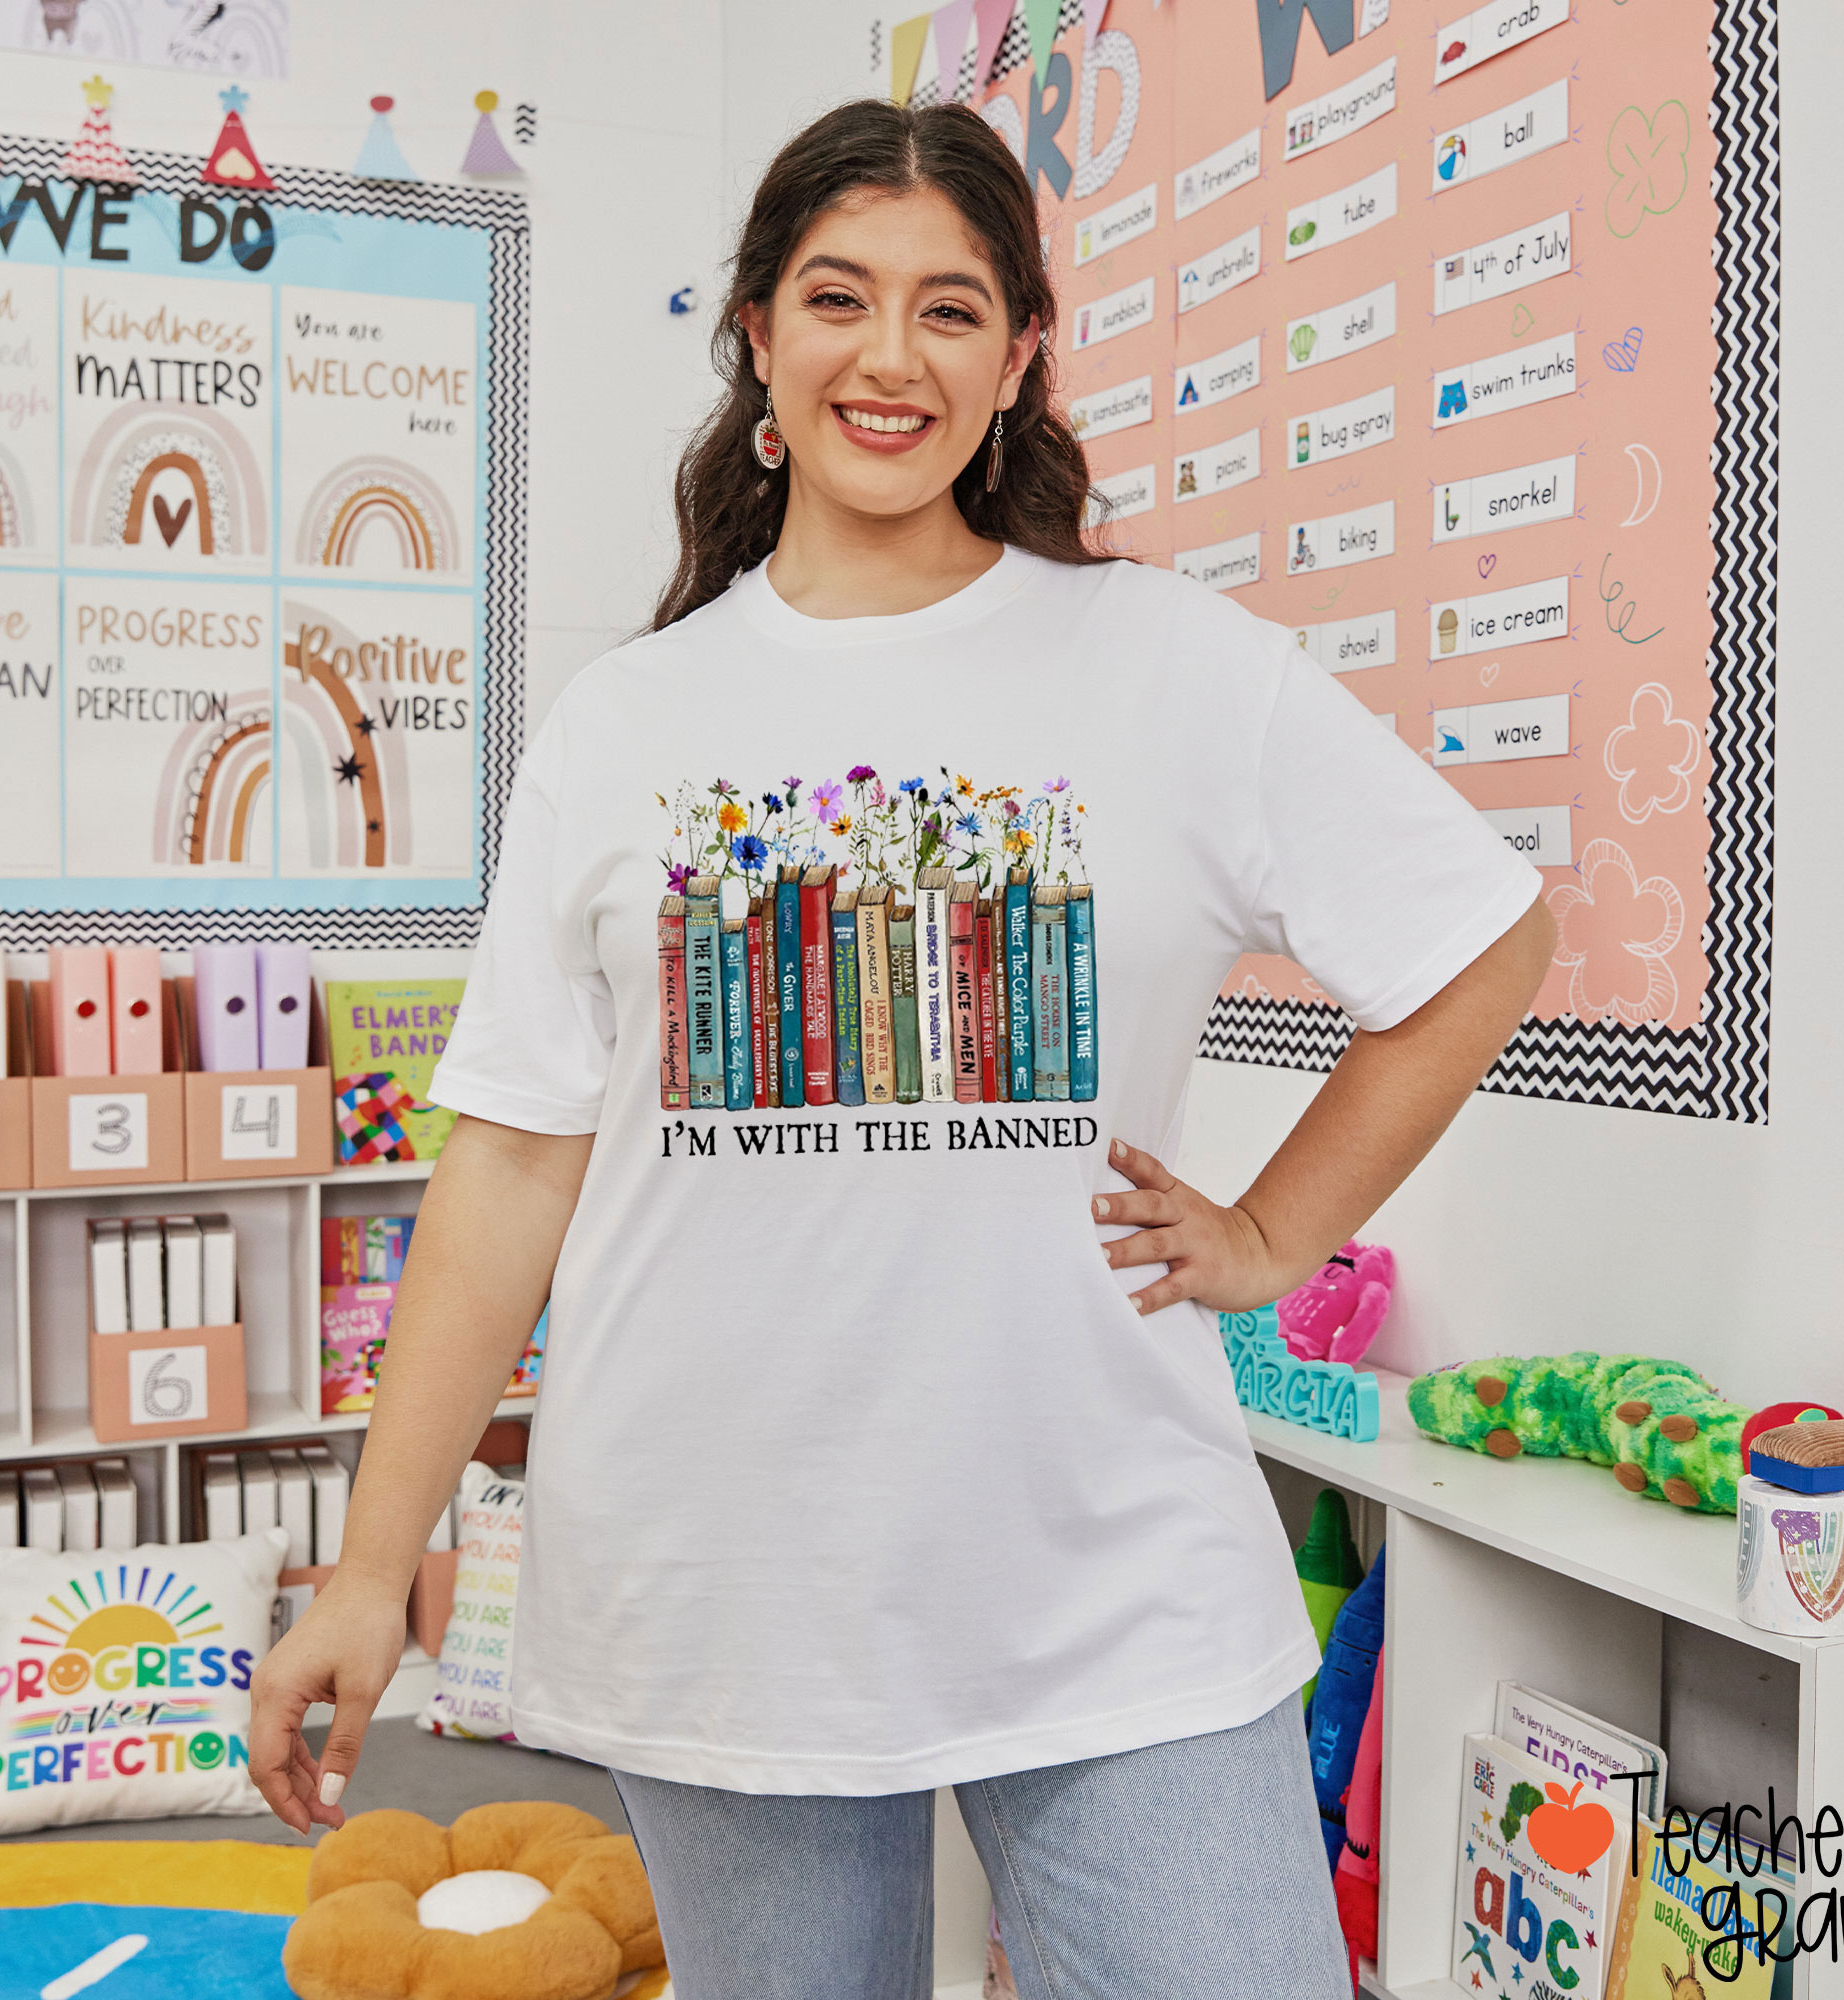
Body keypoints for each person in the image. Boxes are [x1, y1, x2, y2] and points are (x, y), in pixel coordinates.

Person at [249, 98, 1554, 1999]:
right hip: (726, 1587)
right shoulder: (626, 724)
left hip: (1117, 1581)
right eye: (838, 296)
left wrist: (1275, 1237)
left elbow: (1480, 939)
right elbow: (514, 1162)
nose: (890, 354)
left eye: (952, 310)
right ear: (761, 337)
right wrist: (374, 1566)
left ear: (1022, 355)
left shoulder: (1174, 668)